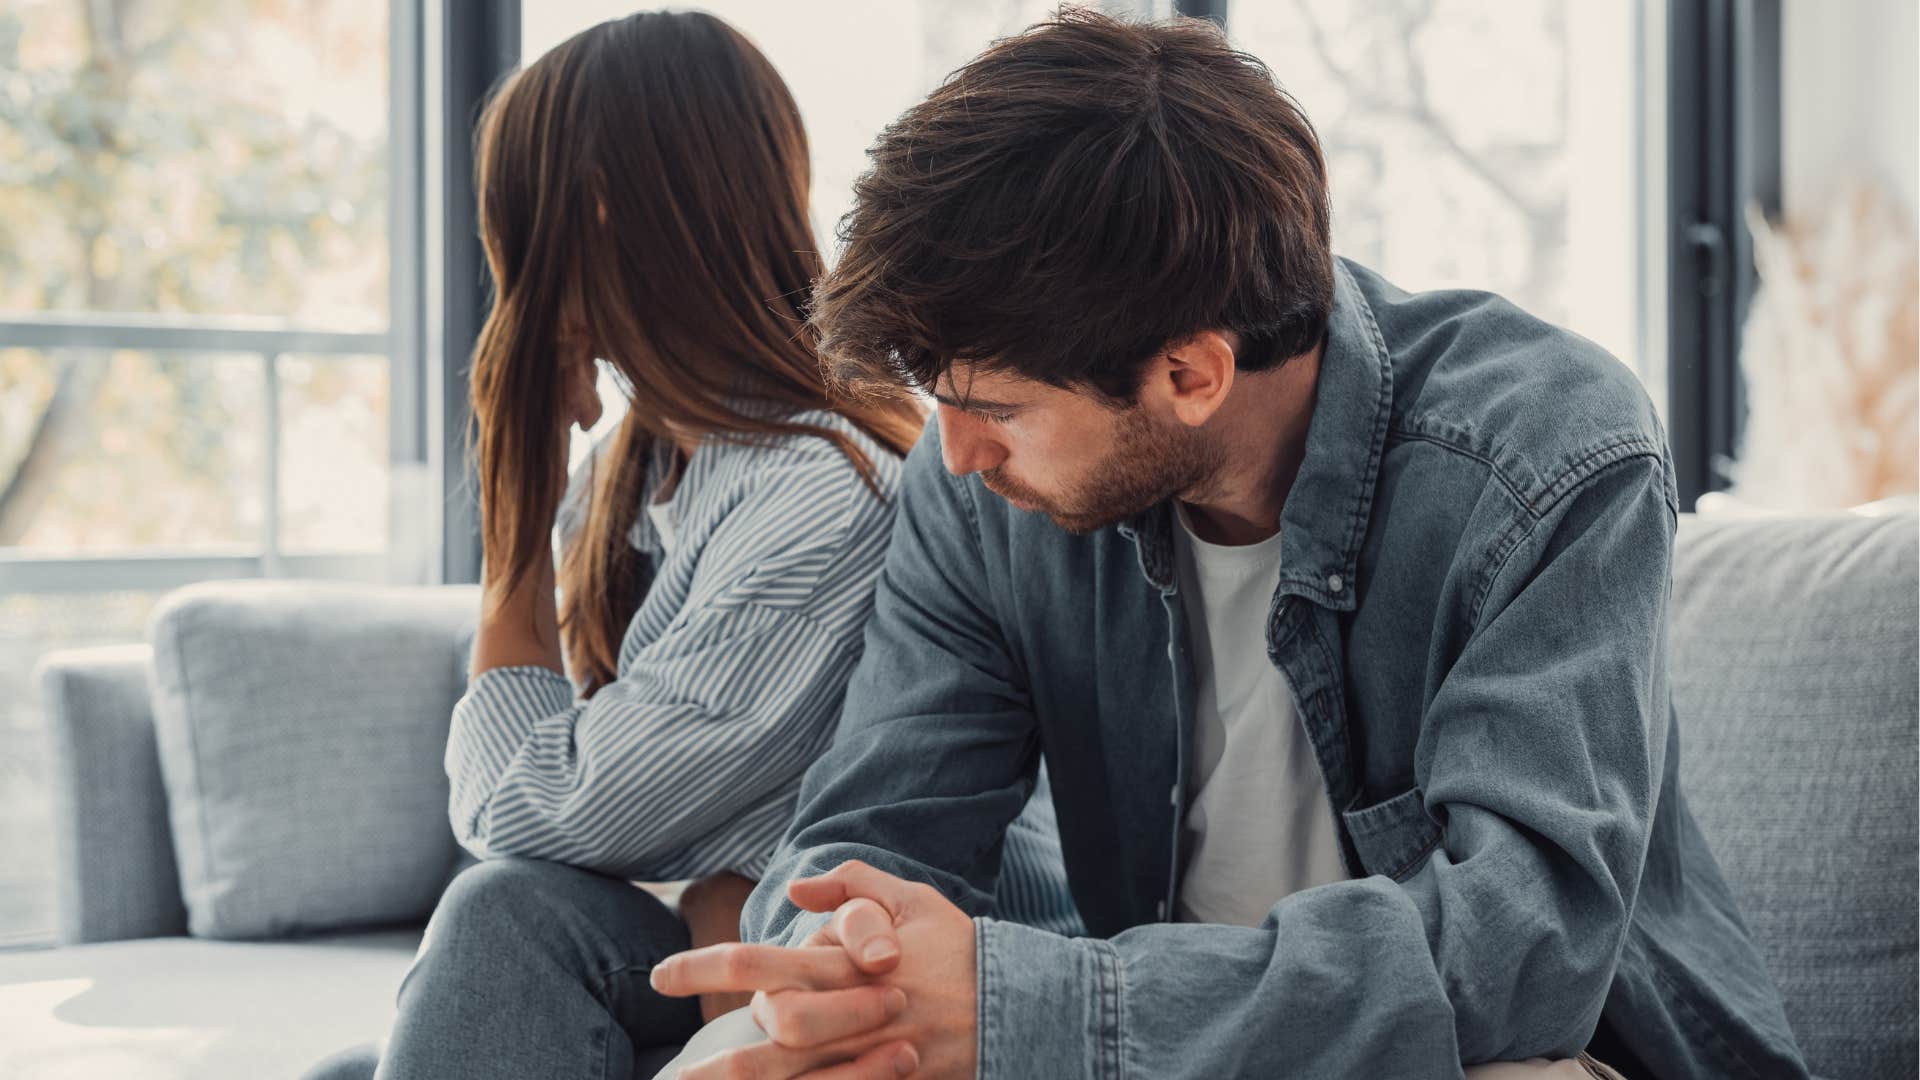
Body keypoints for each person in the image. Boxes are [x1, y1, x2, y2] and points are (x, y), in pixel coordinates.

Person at [647, 10, 1810, 1080]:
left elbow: (1521, 960)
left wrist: (1042, 1007)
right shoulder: (981, 503)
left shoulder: (1546, 451)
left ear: (1193, 373)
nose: (955, 458)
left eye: (995, 409)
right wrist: (844, 959)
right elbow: (872, 833)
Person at [303, 12, 1078, 1080]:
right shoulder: (639, 473)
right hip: (750, 951)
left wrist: (514, 531)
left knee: (507, 920)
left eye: (514, 228)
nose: (504, 273)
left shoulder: (818, 491)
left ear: (597, 213)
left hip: (913, 977)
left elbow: (534, 810)